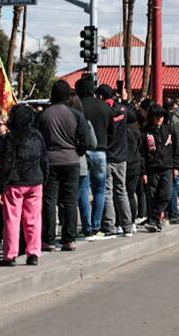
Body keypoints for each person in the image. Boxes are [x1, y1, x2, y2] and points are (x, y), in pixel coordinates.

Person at [38, 80, 95, 251]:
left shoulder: (44, 115)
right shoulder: (76, 115)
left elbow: (37, 139)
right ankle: (69, 239)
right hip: (71, 161)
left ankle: (48, 239)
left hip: (50, 161)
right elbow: (85, 139)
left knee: (49, 201)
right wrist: (77, 151)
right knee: (70, 200)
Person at [0, 104, 48, 266]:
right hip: (35, 181)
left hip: (14, 182)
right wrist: (44, 178)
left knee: (12, 220)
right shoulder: (38, 136)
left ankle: (10, 255)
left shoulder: (8, 138)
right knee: (33, 219)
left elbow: (4, 162)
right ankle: (33, 253)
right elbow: (44, 159)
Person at [75, 78, 112, 239]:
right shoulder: (105, 106)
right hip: (101, 152)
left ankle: (86, 226)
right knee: (100, 190)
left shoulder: (77, 107)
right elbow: (112, 131)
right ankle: (96, 225)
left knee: (83, 189)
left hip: (82, 152)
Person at [99, 84, 134, 238]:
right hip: (122, 156)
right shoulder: (122, 109)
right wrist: (126, 101)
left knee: (108, 192)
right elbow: (134, 115)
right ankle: (127, 225)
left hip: (107, 155)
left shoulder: (103, 111)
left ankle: (110, 225)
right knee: (122, 190)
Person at [140, 105, 174, 232]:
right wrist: (143, 172)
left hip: (167, 166)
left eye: (162, 117)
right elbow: (142, 153)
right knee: (152, 195)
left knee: (166, 194)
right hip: (152, 167)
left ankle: (154, 217)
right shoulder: (145, 132)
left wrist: (176, 165)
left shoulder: (168, 130)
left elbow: (175, 148)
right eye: (157, 117)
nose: (160, 119)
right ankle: (154, 221)